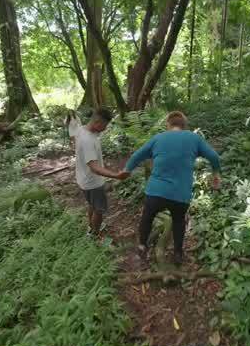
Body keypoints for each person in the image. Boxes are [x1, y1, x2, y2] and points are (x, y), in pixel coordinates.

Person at [123, 111, 222, 267]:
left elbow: (136, 156)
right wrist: (216, 174)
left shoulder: (158, 138)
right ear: (184, 125)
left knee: (147, 216)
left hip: (156, 191)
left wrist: (126, 171)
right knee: (178, 221)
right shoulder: (194, 138)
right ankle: (177, 253)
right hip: (180, 194)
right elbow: (214, 157)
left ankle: (142, 246)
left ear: (168, 124)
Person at [66, 108, 131, 235]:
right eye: (105, 126)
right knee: (99, 209)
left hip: (83, 179)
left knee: (92, 205)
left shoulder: (81, 130)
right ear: (97, 122)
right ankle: (94, 234)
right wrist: (117, 175)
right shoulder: (88, 140)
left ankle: (90, 227)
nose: (105, 129)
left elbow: (73, 134)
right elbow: (94, 168)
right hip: (93, 183)